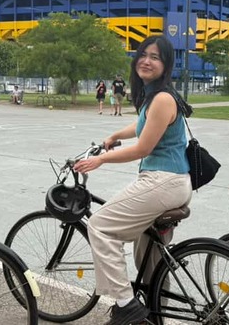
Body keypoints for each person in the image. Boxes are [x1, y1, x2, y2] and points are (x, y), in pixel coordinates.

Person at [74, 35, 193, 325]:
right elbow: (142, 125)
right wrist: (115, 136)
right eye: (143, 54)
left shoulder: (163, 98)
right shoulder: (155, 96)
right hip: (169, 182)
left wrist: (100, 159)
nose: (147, 60)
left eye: (155, 57)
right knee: (149, 261)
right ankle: (154, 316)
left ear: (166, 65)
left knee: (100, 226)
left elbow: (143, 148)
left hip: (163, 180)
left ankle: (127, 307)